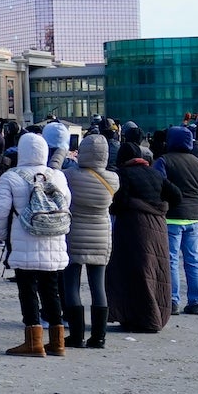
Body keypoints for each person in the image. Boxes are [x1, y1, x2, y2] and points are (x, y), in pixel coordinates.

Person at [0, 132, 72, 357]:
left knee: (27, 290)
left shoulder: (11, 176)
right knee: (52, 289)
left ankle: (33, 340)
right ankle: (57, 341)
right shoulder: (57, 176)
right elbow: (66, 205)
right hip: (53, 239)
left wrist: (7, 236)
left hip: (24, 237)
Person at [105, 146, 177, 332]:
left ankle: (142, 317)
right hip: (158, 225)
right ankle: (155, 316)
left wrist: (129, 206)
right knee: (154, 270)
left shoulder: (123, 174)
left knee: (135, 272)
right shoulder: (155, 174)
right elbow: (176, 195)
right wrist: (161, 207)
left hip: (134, 226)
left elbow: (120, 202)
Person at [61, 133, 119, 349]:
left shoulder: (71, 176)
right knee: (98, 286)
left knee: (72, 285)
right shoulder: (113, 179)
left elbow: (53, 172)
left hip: (74, 232)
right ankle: (99, 337)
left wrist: (60, 152)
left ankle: (76, 335)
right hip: (101, 235)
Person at [156, 126, 198, 315]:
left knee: (171, 260)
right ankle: (196, 301)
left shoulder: (164, 161)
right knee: (193, 260)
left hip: (171, 218)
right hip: (193, 218)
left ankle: (173, 300)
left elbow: (158, 187)